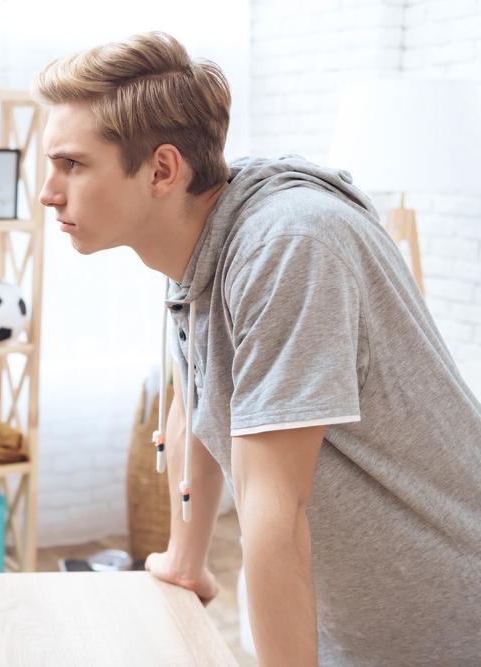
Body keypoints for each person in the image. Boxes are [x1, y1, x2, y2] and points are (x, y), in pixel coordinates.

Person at [35, 31, 481, 666]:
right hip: (347, 625)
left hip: (448, 622)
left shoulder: (289, 246)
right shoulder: (193, 235)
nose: (49, 192)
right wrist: (184, 561)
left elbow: (273, 508)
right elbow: (195, 398)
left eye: (72, 164)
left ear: (162, 169)